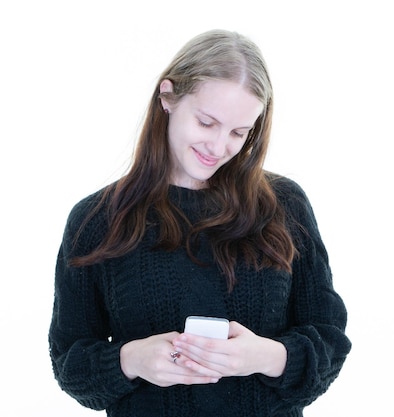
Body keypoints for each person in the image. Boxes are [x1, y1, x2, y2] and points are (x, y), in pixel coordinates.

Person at [48, 29, 351, 417]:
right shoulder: (96, 220)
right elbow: (68, 362)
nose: (219, 146)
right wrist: (129, 361)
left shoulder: (284, 206)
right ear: (168, 97)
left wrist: (268, 356)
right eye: (207, 122)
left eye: (239, 132)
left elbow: (329, 339)